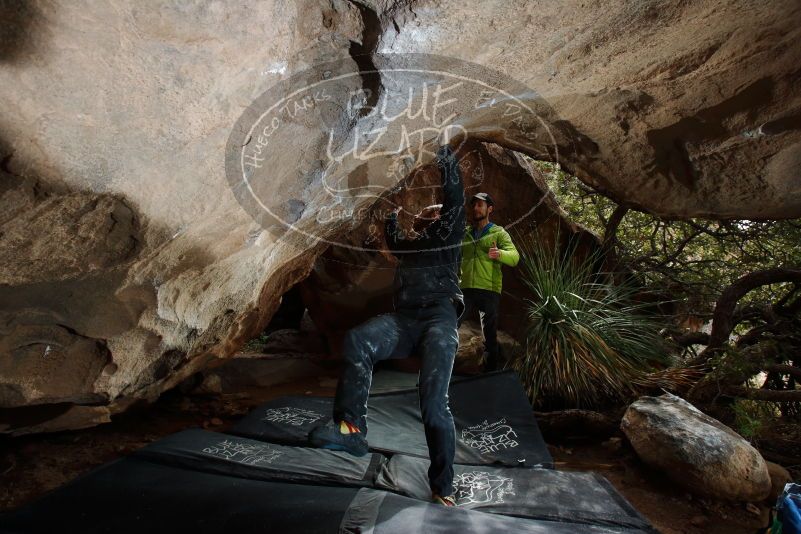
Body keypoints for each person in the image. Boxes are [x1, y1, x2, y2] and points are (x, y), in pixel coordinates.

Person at [308, 139, 466, 507]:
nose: (429, 212)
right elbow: (393, 235)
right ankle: (351, 429)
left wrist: (445, 156)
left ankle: (443, 486)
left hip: (439, 318)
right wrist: (392, 210)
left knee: (434, 404)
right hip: (405, 320)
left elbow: (455, 200)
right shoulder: (410, 247)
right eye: (425, 212)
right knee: (358, 340)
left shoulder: (448, 237)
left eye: (435, 211)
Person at [458, 192, 519, 372]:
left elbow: (514, 257)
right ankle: (443, 368)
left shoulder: (498, 233)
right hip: (466, 288)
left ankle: (490, 371)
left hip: (489, 289)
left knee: (489, 334)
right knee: (451, 323)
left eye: (480, 205)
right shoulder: (465, 234)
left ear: (489, 209)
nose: (476, 208)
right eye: (474, 205)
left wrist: (499, 254)